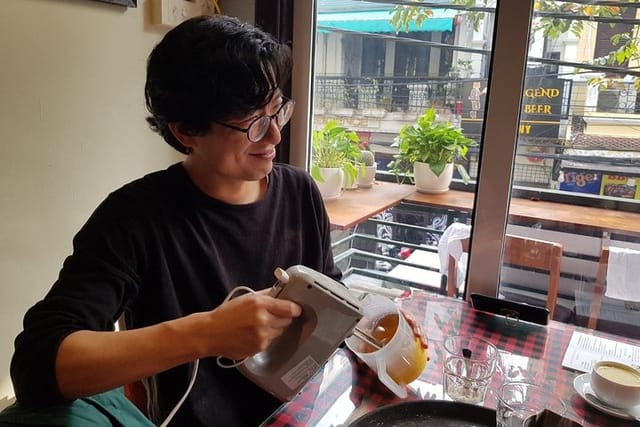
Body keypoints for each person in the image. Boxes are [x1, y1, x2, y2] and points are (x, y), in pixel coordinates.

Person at [8, 15, 339, 426]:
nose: (274, 137)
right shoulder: (134, 218)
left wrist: (372, 319)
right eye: (254, 122)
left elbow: (329, 289)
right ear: (186, 131)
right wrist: (207, 333)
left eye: (278, 110)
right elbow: (36, 368)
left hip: (307, 411)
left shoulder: (300, 191)